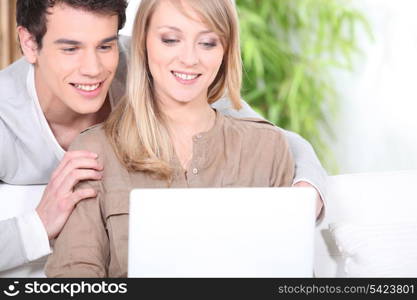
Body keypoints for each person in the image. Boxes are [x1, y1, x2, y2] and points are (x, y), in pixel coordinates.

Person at [0, 0, 325, 272]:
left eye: (105, 45)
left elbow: (268, 138)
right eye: (70, 48)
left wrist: (307, 191)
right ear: (30, 44)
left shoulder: (149, 62)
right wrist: (37, 226)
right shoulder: (11, 119)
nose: (92, 68)